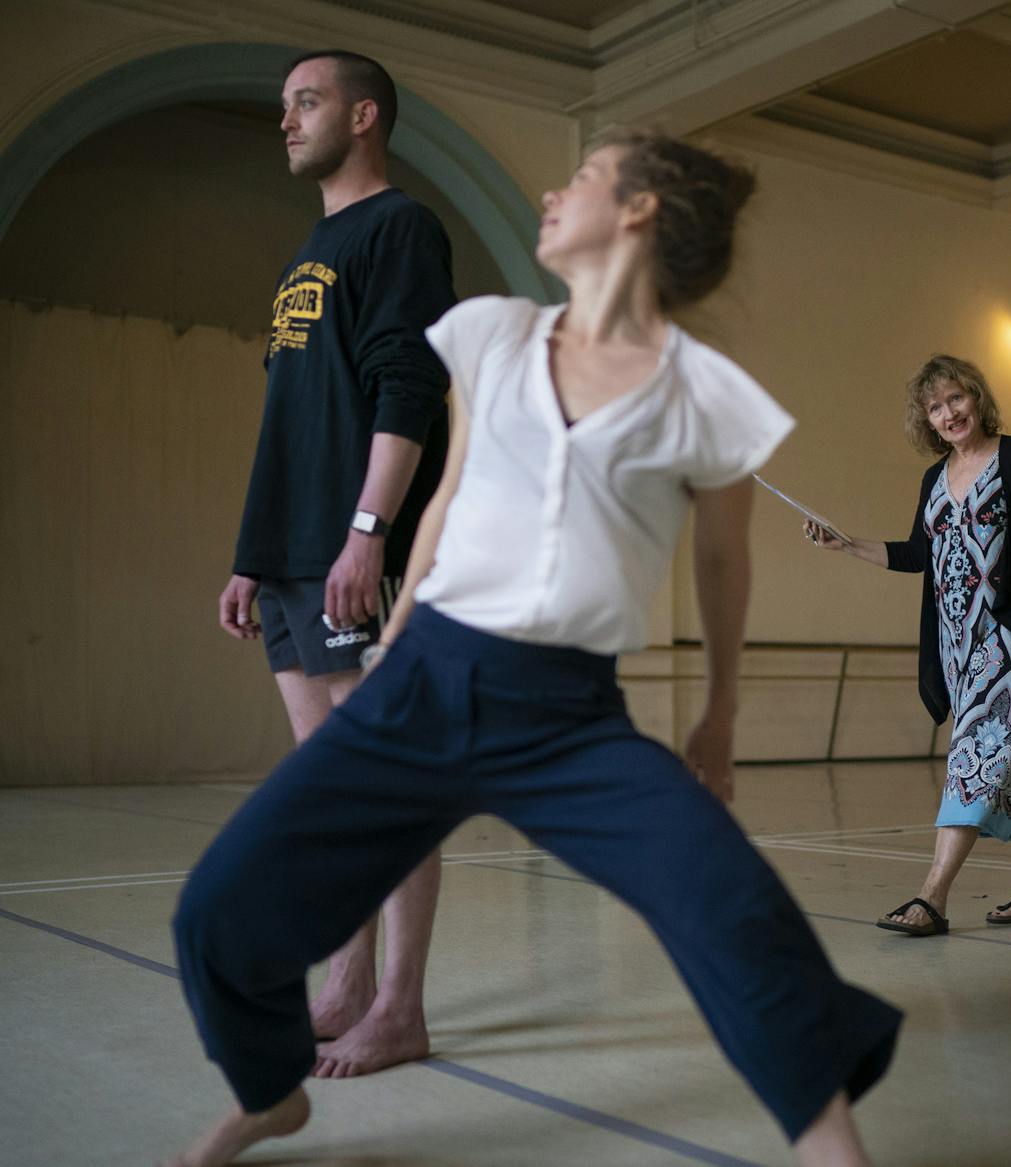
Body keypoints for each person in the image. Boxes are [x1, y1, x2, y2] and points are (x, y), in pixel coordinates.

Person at [166, 130, 901, 1167]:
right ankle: (270, 1090)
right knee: (220, 909)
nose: (555, 191)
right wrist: (398, 638)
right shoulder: (494, 335)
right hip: (424, 681)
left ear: (639, 211)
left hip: (569, 719)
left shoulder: (709, 392)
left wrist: (721, 711)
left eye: (587, 178)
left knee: (735, 911)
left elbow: (725, 566)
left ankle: (832, 1145)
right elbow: (447, 503)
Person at [215, 50, 454, 1081]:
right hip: (287, 558)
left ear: (363, 116)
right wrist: (250, 557)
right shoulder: (305, 252)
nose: (286, 120)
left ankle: (400, 1005)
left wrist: (369, 531)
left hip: (346, 548)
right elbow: (289, 421)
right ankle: (347, 984)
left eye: (304, 103)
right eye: (282, 107)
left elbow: (408, 388)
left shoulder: (400, 228)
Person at [806, 360, 1011, 936]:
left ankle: (933, 896)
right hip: (958, 652)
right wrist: (847, 545)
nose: (948, 414)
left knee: (973, 765)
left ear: (977, 399)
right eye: (935, 407)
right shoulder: (934, 479)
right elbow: (918, 554)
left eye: (956, 399)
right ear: (926, 419)